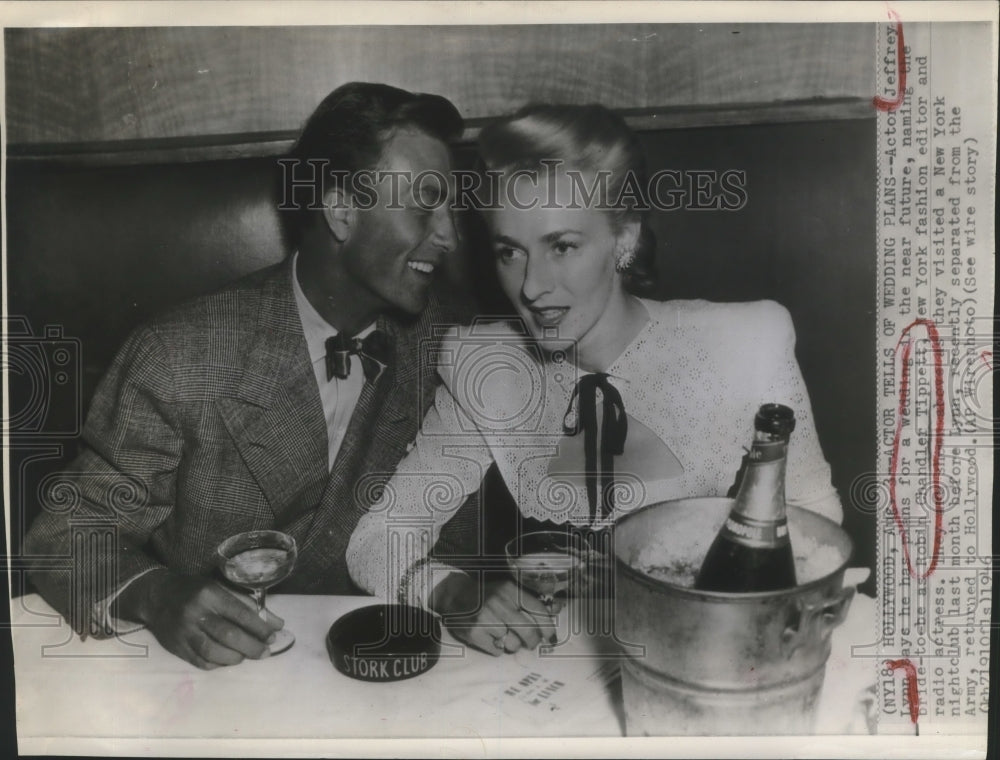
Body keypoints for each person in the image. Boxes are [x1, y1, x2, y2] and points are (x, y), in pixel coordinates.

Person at [346, 103, 844, 655]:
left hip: (708, 654)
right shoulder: (484, 365)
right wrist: (449, 591)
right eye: (510, 252)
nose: (533, 286)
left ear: (624, 239)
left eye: (563, 246)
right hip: (547, 672)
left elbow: (816, 536)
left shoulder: (745, 342)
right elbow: (376, 540)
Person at [25, 82, 478, 669]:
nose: (449, 235)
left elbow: (460, 548)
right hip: (210, 677)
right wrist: (154, 595)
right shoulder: (180, 353)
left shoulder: (454, 353)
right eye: (424, 207)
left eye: (450, 210)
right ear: (341, 210)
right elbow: (65, 537)